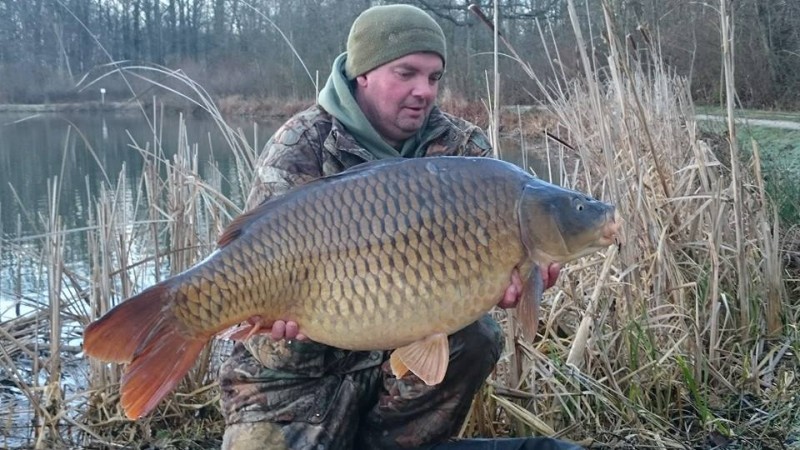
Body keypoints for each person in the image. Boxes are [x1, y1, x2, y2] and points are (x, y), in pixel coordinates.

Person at [218, 4, 582, 450]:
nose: (423, 91)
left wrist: (507, 287)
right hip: (297, 380)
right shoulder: (301, 146)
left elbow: (481, 289)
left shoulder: (462, 149)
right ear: (363, 74)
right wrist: (276, 326)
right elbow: (262, 330)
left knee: (478, 335)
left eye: (433, 77)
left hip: (399, 369)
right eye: (406, 73)